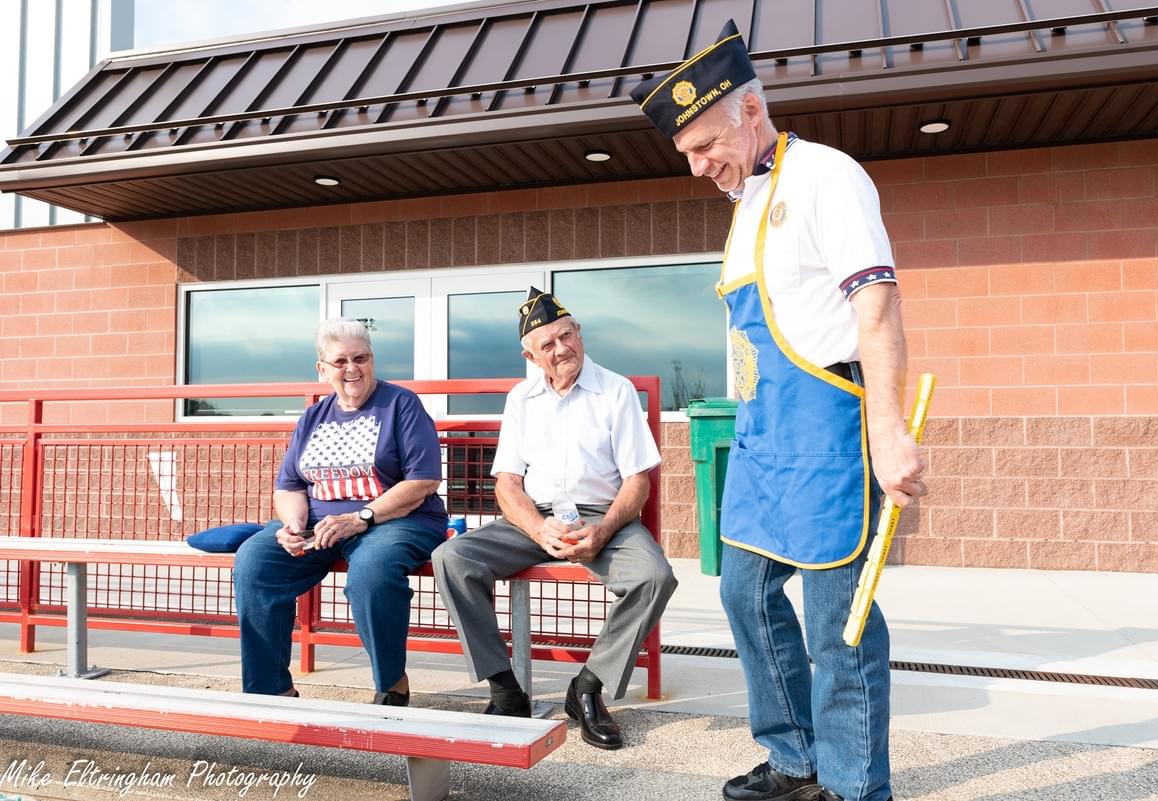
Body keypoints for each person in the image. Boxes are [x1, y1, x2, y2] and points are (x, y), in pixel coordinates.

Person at [630, 21, 927, 801]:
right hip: (763, 437)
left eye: (704, 144)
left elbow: (878, 307)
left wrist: (888, 430)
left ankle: (855, 786)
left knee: (839, 624)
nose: (697, 166)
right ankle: (795, 758)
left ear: (752, 110)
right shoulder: (745, 207)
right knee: (743, 591)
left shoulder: (827, 177)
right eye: (687, 152)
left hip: (828, 429)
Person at [433, 288, 677, 750]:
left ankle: (588, 687)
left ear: (579, 333)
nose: (562, 348)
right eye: (548, 344)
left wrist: (603, 529)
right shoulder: (522, 398)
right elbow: (507, 484)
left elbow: (637, 481)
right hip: (534, 518)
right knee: (452, 557)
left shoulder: (616, 390)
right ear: (530, 356)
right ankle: (506, 692)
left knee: (654, 577)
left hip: (603, 517)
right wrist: (536, 527)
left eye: (567, 335)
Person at [234, 318, 447, 706]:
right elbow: (289, 485)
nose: (352, 368)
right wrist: (293, 525)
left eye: (360, 358)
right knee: (255, 561)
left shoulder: (401, 404)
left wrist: (360, 518)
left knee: (371, 571)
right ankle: (270, 691)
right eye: (340, 361)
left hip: (396, 519)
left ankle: (392, 683)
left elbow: (424, 481)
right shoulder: (313, 417)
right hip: (322, 523)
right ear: (322, 369)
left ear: (372, 360)